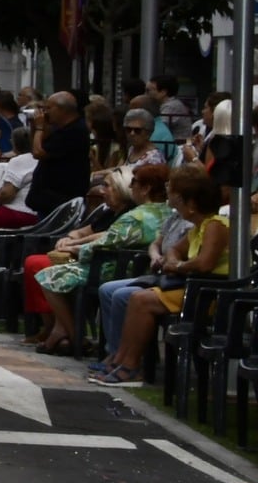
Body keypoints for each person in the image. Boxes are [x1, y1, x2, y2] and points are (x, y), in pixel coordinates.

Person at [89, 166, 233, 385]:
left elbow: (204, 263)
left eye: (175, 195)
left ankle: (130, 365)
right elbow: (175, 249)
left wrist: (177, 266)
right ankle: (121, 359)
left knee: (140, 300)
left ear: (191, 204)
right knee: (137, 299)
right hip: (190, 288)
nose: (171, 197)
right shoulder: (198, 227)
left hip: (207, 295)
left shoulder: (215, 226)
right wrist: (173, 259)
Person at [25, 164, 168, 355]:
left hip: (117, 269)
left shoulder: (136, 217)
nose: (131, 186)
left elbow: (103, 243)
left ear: (146, 188)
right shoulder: (168, 213)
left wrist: (74, 248)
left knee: (49, 277)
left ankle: (75, 336)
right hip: (144, 269)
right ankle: (62, 331)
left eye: (134, 182)